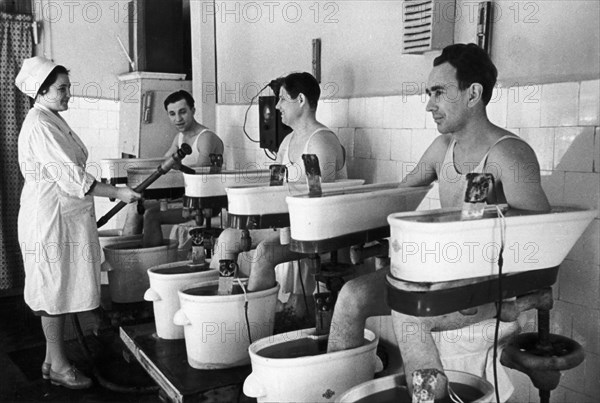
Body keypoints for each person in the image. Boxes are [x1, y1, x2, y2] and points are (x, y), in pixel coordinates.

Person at [327, 43, 550, 401]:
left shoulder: (509, 155)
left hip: (487, 285)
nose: (429, 104)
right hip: (440, 275)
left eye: (439, 92)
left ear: (473, 93)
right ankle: (335, 393)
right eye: (429, 93)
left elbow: (542, 236)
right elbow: (399, 196)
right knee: (352, 295)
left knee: (410, 315)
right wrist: (362, 230)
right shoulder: (441, 148)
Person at [15, 57, 142, 389]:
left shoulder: (50, 118)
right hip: (50, 217)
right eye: (62, 89)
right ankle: (58, 365)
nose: (68, 94)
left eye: (68, 87)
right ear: (41, 91)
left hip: (63, 214)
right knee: (52, 290)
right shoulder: (40, 124)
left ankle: (49, 359)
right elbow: (70, 176)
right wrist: (117, 192)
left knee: (56, 286)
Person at [211, 72, 347, 314]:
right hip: (287, 225)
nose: (277, 106)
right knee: (226, 240)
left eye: (283, 99)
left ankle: (252, 318)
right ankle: (222, 297)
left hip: (314, 230)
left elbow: (318, 200)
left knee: (265, 253)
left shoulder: (320, 142)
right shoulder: (287, 142)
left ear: (301, 100)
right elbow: (275, 188)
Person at [122, 90, 224, 248]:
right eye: (172, 114)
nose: (178, 119)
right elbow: (163, 163)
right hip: (186, 197)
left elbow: (202, 177)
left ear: (193, 110)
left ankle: (150, 261)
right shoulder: (180, 137)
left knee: (151, 215)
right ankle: (129, 257)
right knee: (135, 206)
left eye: (183, 112)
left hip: (205, 202)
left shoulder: (205, 137)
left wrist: (180, 167)